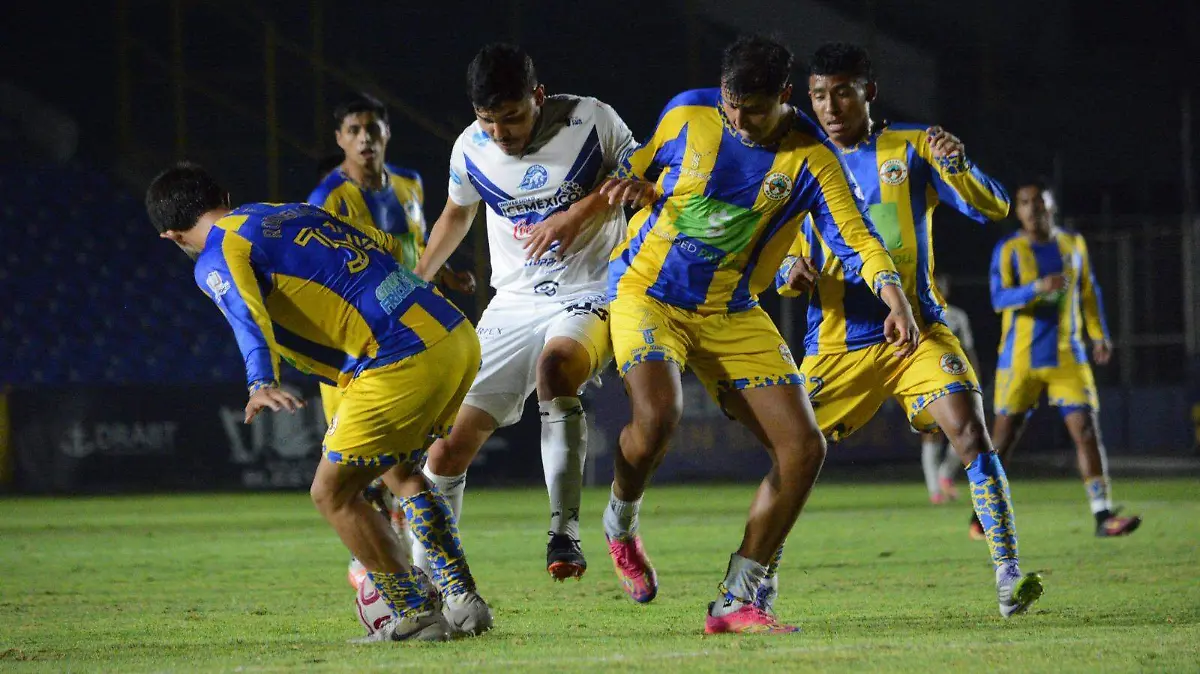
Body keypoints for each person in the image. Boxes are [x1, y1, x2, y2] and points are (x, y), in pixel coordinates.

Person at [599, 35, 918, 634]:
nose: (739, 120)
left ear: (784, 96)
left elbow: (856, 236)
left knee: (804, 448)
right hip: (647, 293)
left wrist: (893, 296)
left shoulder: (811, 157)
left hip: (732, 311)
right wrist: (634, 190)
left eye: (754, 109)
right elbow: (631, 170)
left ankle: (737, 598)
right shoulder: (689, 111)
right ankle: (620, 522)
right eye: (731, 105)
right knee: (658, 416)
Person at [145, 162, 492, 641]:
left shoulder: (217, 253)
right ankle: (463, 601)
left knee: (332, 493)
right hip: (453, 333)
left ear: (170, 235)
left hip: (399, 356)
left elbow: (245, 312)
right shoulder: (289, 211)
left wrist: (260, 380)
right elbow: (389, 243)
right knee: (401, 473)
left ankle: (415, 614)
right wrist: (440, 270)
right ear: (223, 195)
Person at [769, 42, 1041, 619]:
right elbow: (778, 252)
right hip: (837, 342)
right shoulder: (798, 160)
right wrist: (790, 271)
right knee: (792, 458)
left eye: (842, 92)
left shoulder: (912, 147)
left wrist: (959, 165)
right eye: (819, 95)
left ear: (868, 90)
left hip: (916, 332)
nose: (830, 106)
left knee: (970, 432)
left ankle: (1008, 573)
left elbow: (994, 207)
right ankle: (760, 580)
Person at [413, 43, 635, 581]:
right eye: (487, 120)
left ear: (538, 96)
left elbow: (640, 179)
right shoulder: (470, 149)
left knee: (555, 368)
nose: (500, 133)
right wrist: (417, 282)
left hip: (590, 289)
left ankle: (564, 533)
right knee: (444, 452)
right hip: (512, 303)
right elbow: (456, 214)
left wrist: (576, 214)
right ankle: (426, 585)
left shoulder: (592, 120)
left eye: (511, 117)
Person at [308, 92, 475, 426]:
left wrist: (446, 273)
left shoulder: (410, 182)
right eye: (353, 130)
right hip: (358, 340)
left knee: (418, 429)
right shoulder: (325, 199)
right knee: (352, 437)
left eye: (372, 128)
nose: (364, 138)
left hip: (414, 324)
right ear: (340, 139)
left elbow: (418, 242)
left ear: (387, 132)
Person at [986, 179, 1141, 537]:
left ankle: (1102, 515)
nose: (1032, 208)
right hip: (1020, 358)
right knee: (1003, 439)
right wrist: (1036, 288)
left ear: (1051, 206)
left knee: (1086, 430)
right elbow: (998, 298)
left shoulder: (1073, 243)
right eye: (1025, 202)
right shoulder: (1008, 249)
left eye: (1038, 201)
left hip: (1067, 354)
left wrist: (1098, 334)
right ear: (1018, 210)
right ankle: (984, 513)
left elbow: (1088, 291)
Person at [920, 273, 981, 504]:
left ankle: (945, 474)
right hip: (925, 382)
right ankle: (934, 490)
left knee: (965, 430)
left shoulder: (957, 316)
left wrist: (975, 378)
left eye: (942, 286)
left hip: (955, 381)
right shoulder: (917, 313)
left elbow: (969, 349)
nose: (939, 289)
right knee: (931, 435)